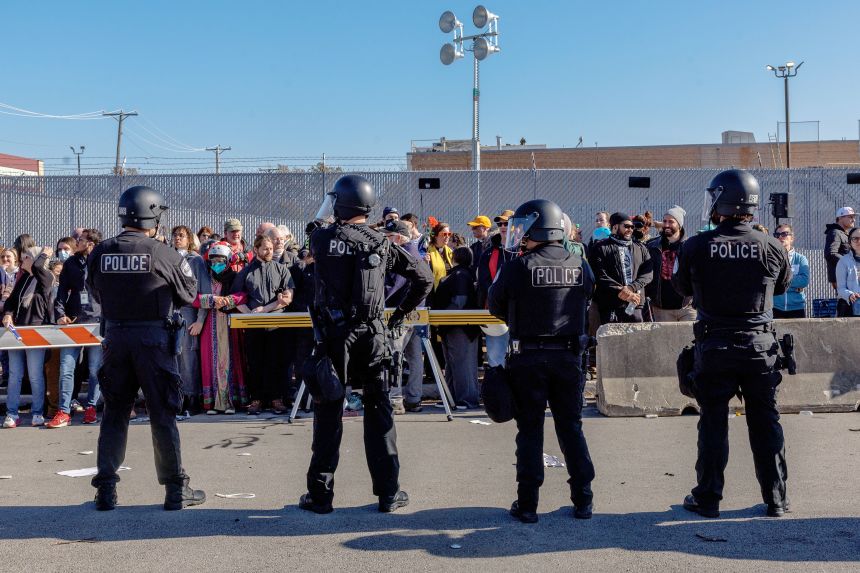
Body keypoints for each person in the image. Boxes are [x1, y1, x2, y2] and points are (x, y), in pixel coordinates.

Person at [300, 174, 433, 515]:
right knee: (379, 412)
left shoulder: (321, 239)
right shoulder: (382, 241)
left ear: (341, 203)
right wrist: (399, 314)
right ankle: (388, 493)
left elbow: (315, 236)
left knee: (328, 412)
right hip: (373, 336)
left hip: (334, 338)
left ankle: (320, 495)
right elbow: (423, 277)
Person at [672, 169, 791, 519]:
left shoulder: (696, 245)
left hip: (715, 347)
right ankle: (777, 500)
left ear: (722, 200)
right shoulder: (771, 245)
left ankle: (708, 498)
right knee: (766, 422)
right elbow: (780, 288)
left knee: (713, 423)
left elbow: (681, 287)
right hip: (760, 347)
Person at [87, 185, 205, 511]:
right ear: (151, 213)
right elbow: (187, 293)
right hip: (153, 341)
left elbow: (95, 293)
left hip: (115, 339)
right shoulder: (161, 252)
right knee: (162, 415)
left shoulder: (101, 251)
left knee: (115, 414)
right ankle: (175, 490)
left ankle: (106, 491)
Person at [488, 199, 596, 524]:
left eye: (523, 229)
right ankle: (583, 500)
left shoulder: (519, 266)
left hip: (529, 358)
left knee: (530, 430)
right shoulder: (579, 263)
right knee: (571, 428)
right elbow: (587, 298)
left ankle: (528, 504)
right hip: (568, 358)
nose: (519, 235)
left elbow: (496, 305)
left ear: (539, 226)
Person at [47, 229, 104, 428]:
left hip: (97, 322)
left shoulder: (102, 260)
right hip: (73, 321)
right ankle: (63, 411)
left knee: (95, 369)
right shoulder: (71, 263)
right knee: (66, 367)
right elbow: (62, 291)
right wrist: (61, 314)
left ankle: (90, 408)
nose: (76, 242)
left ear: (90, 243)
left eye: (80, 240)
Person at [230, 235, 294, 415]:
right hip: (253, 325)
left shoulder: (282, 270)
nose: (269, 252)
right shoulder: (246, 272)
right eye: (265, 249)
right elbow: (236, 298)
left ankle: (276, 399)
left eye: (271, 249)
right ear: (256, 249)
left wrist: (266, 309)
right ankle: (256, 399)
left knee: (276, 361)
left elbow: (288, 298)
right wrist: (249, 314)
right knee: (255, 361)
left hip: (276, 323)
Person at [2, 246, 55, 429]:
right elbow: (10, 301)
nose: (21, 260)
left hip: (36, 331)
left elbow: (39, 267)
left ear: (34, 259)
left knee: (34, 374)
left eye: (25, 257)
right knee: (15, 374)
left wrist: (42, 256)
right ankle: (12, 413)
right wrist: (8, 313)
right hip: (17, 332)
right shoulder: (23, 278)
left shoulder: (46, 277)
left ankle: (38, 412)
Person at [193, 242, 247, 414]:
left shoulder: (235, 276)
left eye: (221, 260)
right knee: (211, 361)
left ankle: (230, 401)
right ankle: (213, 404)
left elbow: (244, 294)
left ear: (228, 260)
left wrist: (230, 299)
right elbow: (191, 296)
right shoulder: (204, 277)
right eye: (213, 260)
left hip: (230, 325)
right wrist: (210, 299)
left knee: (230, 359)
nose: (217, 264)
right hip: (210, 324)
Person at [383, 220, 429, 414]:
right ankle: (414, 398)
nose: (386, 240)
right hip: (416, 313)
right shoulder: (416, 251)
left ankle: (395, 399)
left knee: (395, 356)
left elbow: (394, 287)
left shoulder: (404, 254)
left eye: (389, 236)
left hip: (400, 313)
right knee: (414, 357)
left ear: (399, 237)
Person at [435, 246, 480, 409]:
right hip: (458, 326)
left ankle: (466, 399)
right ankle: (452, 397)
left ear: (454, 258)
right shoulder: (465, 274)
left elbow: (459, 302)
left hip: (458, 326)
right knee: (455, 363)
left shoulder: (459, 275)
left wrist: (442, 317)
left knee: (461, 363)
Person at [172, 225, 209, 413]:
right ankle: (178, 398)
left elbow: (204, 291)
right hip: (170, 313)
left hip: (189, 314)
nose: (177, 238)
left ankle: (192, 397)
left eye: (181, 235)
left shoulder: (196, 261)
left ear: (189, 239)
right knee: (173, 356)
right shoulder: (168, 258)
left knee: (189, 356)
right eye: (175, 235)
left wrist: (200, 319)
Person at [590, 212, 653, 324]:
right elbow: (599, 275)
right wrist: (622, 291)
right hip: (611, 305)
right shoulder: (600, 248)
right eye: (626, 226)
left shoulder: (641, 248)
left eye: (632, 227)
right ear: (615, 227)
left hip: (635, 304)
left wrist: (631, 288)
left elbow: (648, 274)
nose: (630, 229)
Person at [477, 209, 516, 368]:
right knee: (495, 356)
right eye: (500, 223)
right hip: (496, 309)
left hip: (519, 311)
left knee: (519, 355)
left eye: (507, 223)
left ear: (516, 226)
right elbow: (483, 281)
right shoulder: (489, 252)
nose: (502, 226)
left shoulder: (525, 250)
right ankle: (497, 390)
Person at [645, 206, 695, 322]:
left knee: (691, 339)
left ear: (679, 224)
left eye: (671, 221)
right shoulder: (652, 246)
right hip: (661, 308)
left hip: (687, 307)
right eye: (664, 221)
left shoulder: (689, 246)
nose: (666, 225)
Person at [772, 224, 809, 319]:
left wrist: (781, 280)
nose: (780, 237)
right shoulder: (771, 258)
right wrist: (794, 286)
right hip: (775, 307)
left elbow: (804, 281)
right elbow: (770, 280)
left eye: (784, 234)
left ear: (792, 238)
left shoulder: (800, 259)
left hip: (797, 308)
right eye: (777, 234)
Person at [824, 207, 856, 316]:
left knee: (851, 304)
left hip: (848, 277)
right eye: (850, 217)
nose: (853, 220)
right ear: (840, 218)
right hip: (841, 278)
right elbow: (830, 253)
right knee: (846, 305)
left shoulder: (843, 233)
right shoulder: (835, 232)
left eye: (854, 217)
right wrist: (850, 264)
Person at [835, 227, 860, 317]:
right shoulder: (843, 261)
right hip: (850, 308)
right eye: (855, 238)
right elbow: (840, 288)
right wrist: (850, 295)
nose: (859, 241)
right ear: (850, 242)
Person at [426, 222, 453, 293]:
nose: (447, 236)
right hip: (433, 292)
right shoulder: (427, 251)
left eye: (449, 234)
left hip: (448, 290)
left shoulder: (450, 252)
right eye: (444, 234)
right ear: (435, 236)